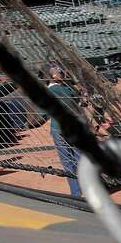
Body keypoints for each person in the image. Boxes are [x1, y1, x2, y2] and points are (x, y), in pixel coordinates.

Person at [46, 67, 82, 197]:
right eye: (59, 73)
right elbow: (76, 99)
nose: (62, 74)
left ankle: (76, 193)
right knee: (78, 158)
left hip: (57, 128)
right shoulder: (65, 89)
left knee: (67, 162)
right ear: (54, 76)